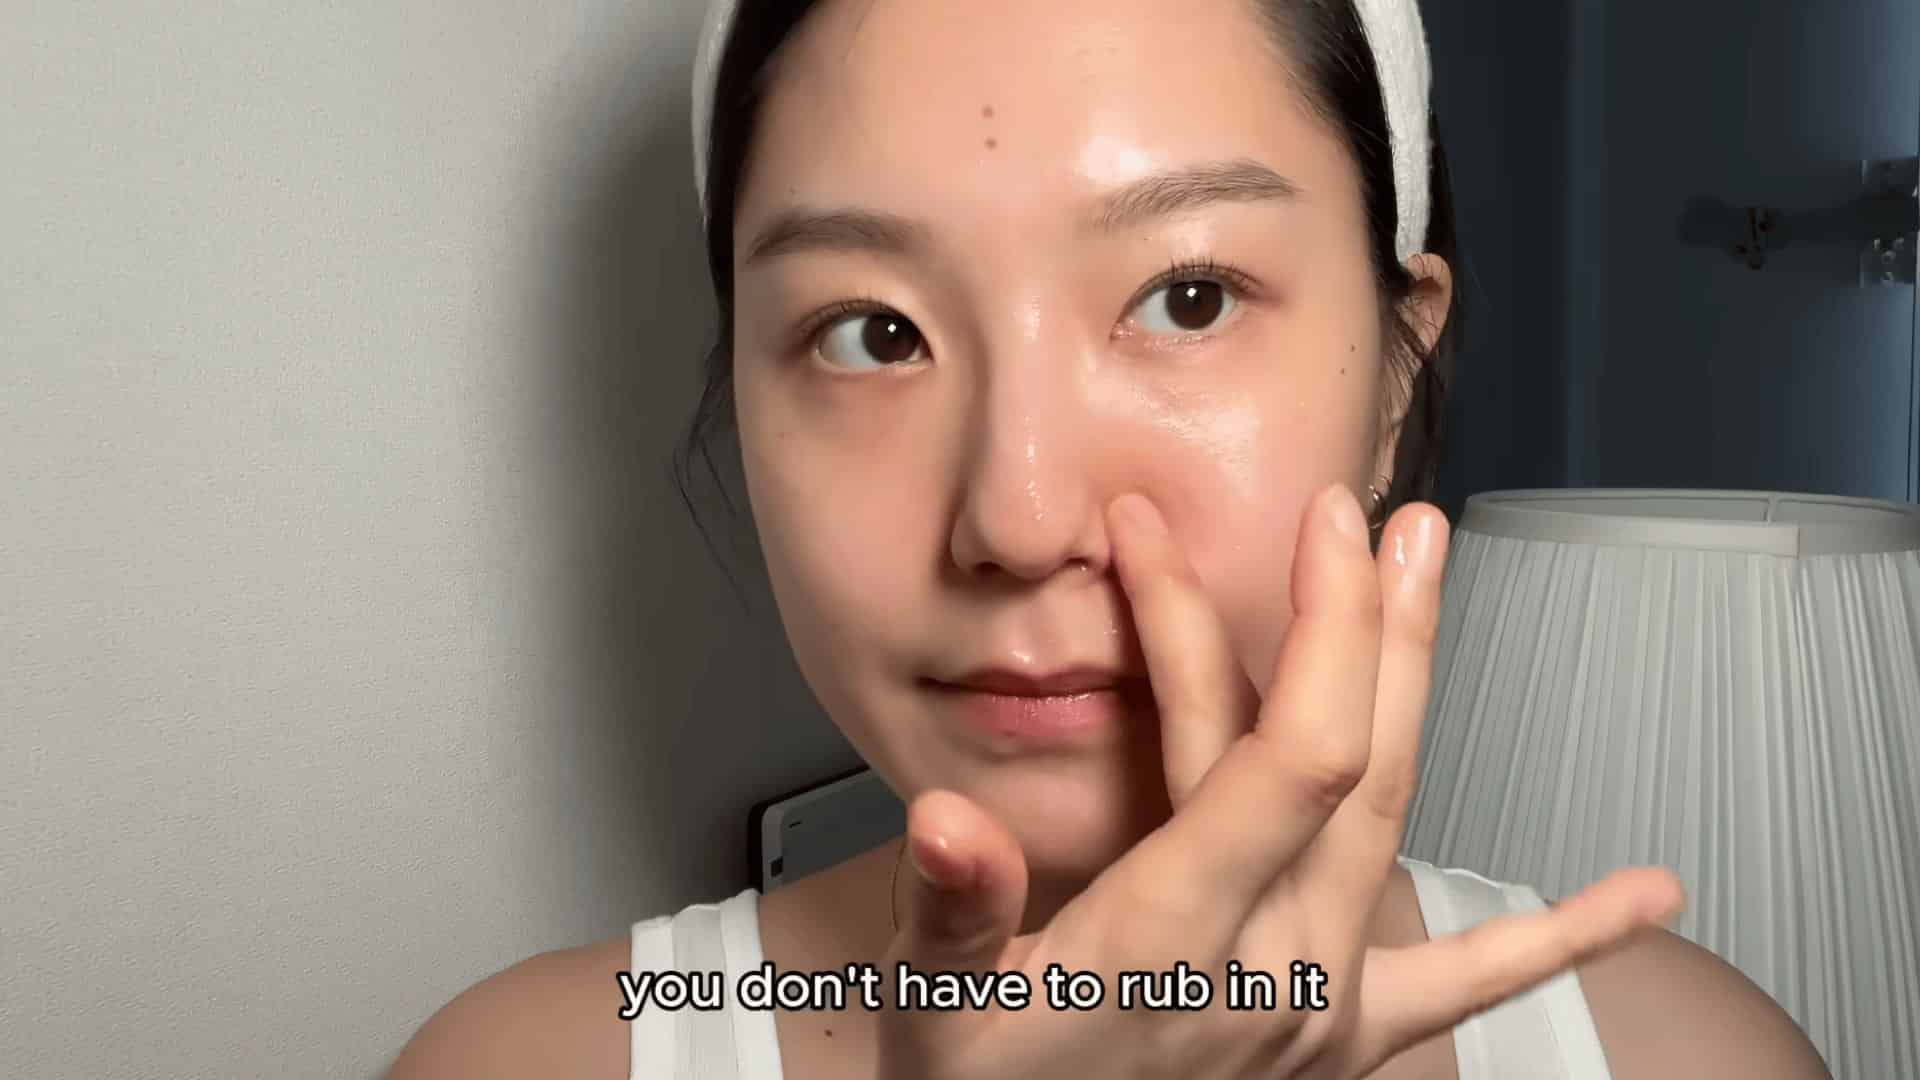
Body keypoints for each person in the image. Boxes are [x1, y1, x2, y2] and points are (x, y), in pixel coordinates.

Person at [388, 1, 1833, 1076]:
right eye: (872, 332)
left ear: (1397, 371)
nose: (1017, 518)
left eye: (1187, 298)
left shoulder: (1692, 1057)